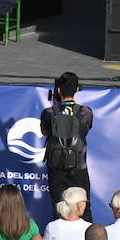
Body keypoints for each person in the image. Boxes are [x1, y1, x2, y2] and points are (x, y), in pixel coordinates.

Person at [38, 72, 94, 213]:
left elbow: (44, 132)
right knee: (84, 208)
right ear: (76, 89)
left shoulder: (49, 112)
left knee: (60, 208)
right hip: (79, 166)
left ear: (58, 90)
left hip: (57, 168)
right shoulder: (86, 112)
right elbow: (86, 129)